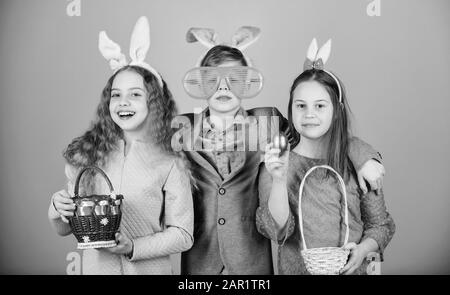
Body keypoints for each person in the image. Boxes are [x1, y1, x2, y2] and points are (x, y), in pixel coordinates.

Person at [173, 28, 385, 274]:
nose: (223, 87)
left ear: (248, 84)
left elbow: (314, 130)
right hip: (201, 262)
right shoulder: (182, 128)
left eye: (235, 79)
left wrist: (363, 156)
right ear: (199, 83)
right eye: (213, 80)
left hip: (251, 263)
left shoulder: (268, 121)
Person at [48, 17, 193, 275]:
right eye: (117, 94)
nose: (123, 102)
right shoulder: (88, 154)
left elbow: (183, 234)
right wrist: (58, 209)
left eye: (135, 94)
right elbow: (64, 228)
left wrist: (133, 247)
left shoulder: (171, 161)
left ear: (154, 103)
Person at [256, 38, 395, 275]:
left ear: (337, 110)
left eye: (320, 106)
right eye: (301, 106)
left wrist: (362, 250)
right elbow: (276, 231)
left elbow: (380, 225)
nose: (309, 114)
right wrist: (279, 180)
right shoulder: (276, 163)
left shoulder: (358, 162)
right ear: (291, 109)